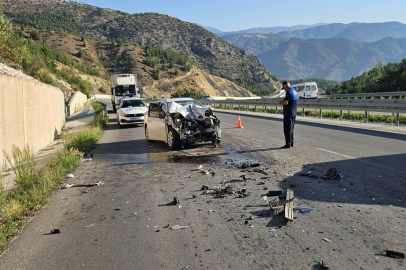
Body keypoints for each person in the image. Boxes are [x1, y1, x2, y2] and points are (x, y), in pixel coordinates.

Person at [278, 81, 298, 149]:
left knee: (287, 129)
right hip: (293, 113)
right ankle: (291, 142)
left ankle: (288, 144)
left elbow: (286, 102)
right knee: (291, 129)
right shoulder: (294, 91)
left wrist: (281, 102)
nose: (284, 89)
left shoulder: (288, 92)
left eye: (283, 87)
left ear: (285, 85)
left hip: (288, 113)